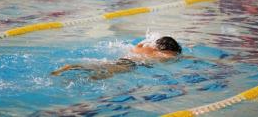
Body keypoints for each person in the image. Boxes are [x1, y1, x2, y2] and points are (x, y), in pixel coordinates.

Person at [51, 36, 182, 80]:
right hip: (128, 65)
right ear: (167, 49)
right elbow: (169, 56)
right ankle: (84, 79)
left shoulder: (141, 46)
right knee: (105, 75)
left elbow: (137, 46)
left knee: (98, 66)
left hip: (122, 59)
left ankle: (70, 67)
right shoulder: (160, 53)